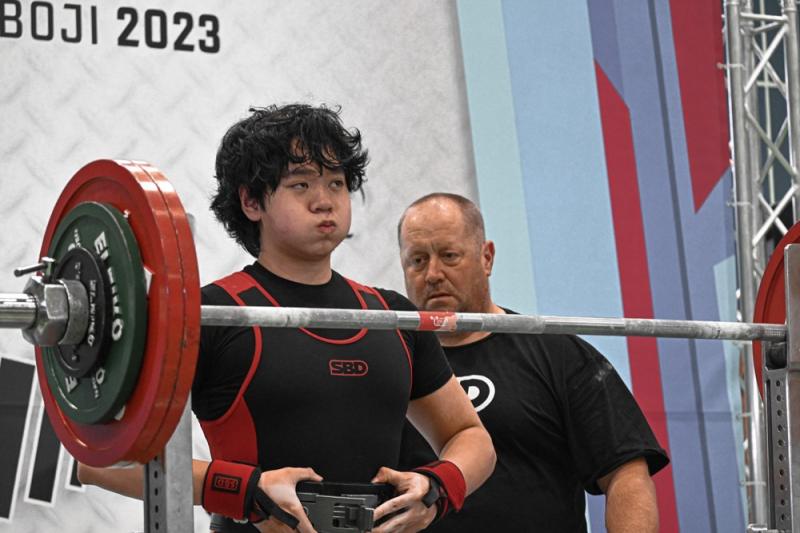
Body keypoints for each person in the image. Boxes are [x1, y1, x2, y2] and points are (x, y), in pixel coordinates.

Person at [78, 105, 495, 533]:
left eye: (336, 183)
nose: (324, 200)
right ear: (251, 201)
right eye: (301, 184)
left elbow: (470, 436)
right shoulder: (212, 315)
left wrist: (437, 488)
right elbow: (100, 461)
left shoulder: (392, 315)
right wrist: (245, 491)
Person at [396, 193, 670, 533]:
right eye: (417, 260)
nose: (433, 274)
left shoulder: (557, 353)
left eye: (449, 256)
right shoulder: (389, 365)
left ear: (486, 258)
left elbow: (626, 474)